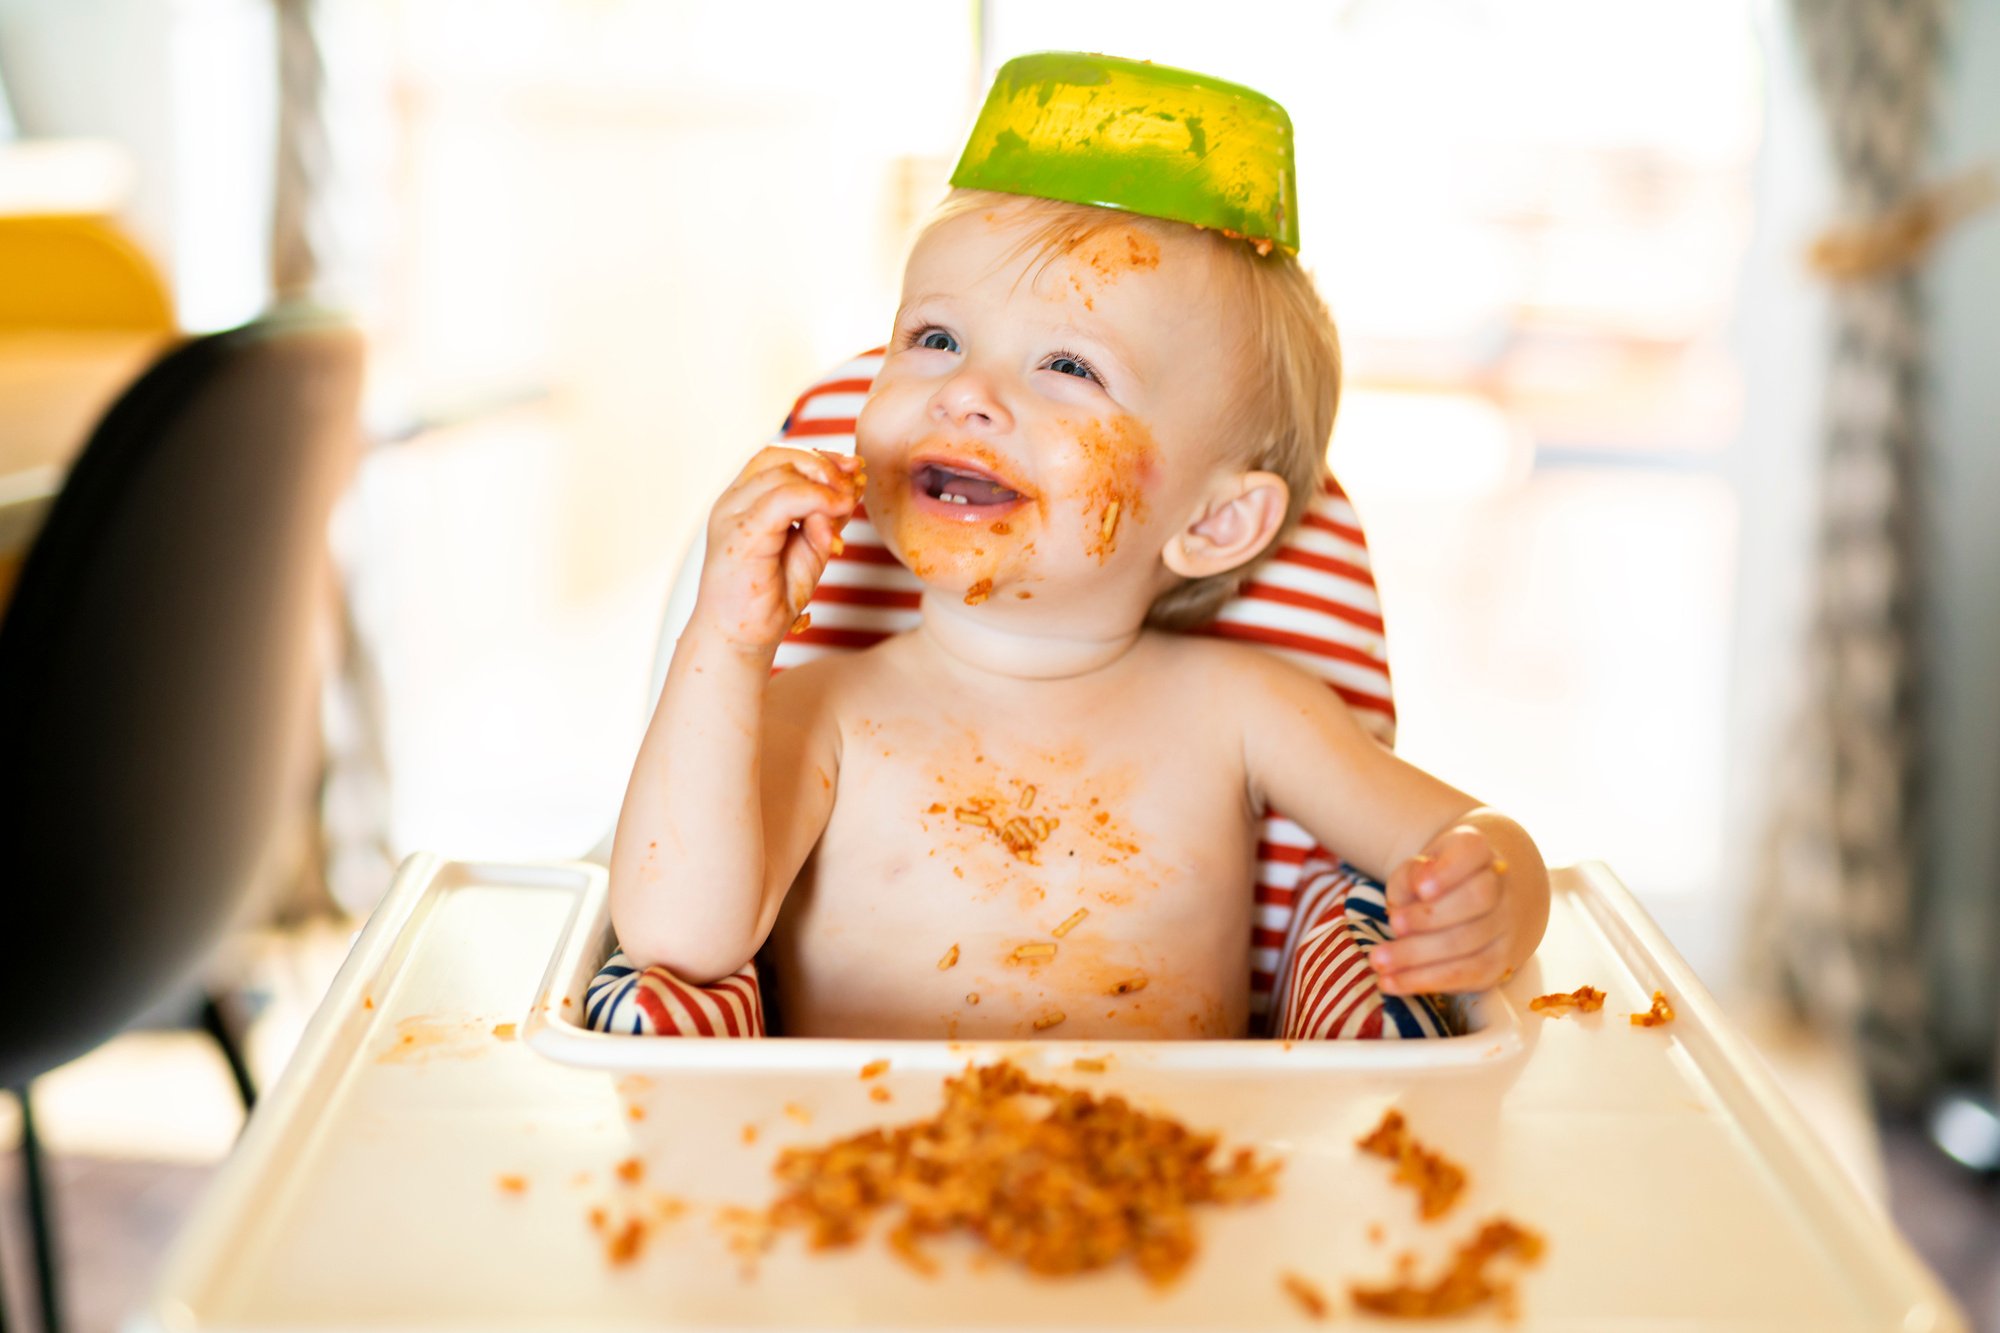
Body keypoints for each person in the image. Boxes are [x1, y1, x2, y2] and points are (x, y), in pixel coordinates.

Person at [608, 54, 1549, 1039]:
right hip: (848, 1166)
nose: (964, 391)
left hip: (1188, 1177)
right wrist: (728, 638)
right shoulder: (822, 710)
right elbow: (678, 941)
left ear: (1213, 523)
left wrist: (1496, 889)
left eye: (1066, 365)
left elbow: (1453, 836)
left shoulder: (1248, 711)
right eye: (933, 339)